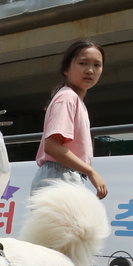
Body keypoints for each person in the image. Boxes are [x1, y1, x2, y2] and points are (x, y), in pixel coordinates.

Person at [31, 38, 107, 199]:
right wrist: (90, 171)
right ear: (66, 69)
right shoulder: (67, 97)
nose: (90, 70)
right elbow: (52, 146)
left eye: (97, 65)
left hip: (62, 177)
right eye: (83, 63)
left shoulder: (72, 98)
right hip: (60, 177)